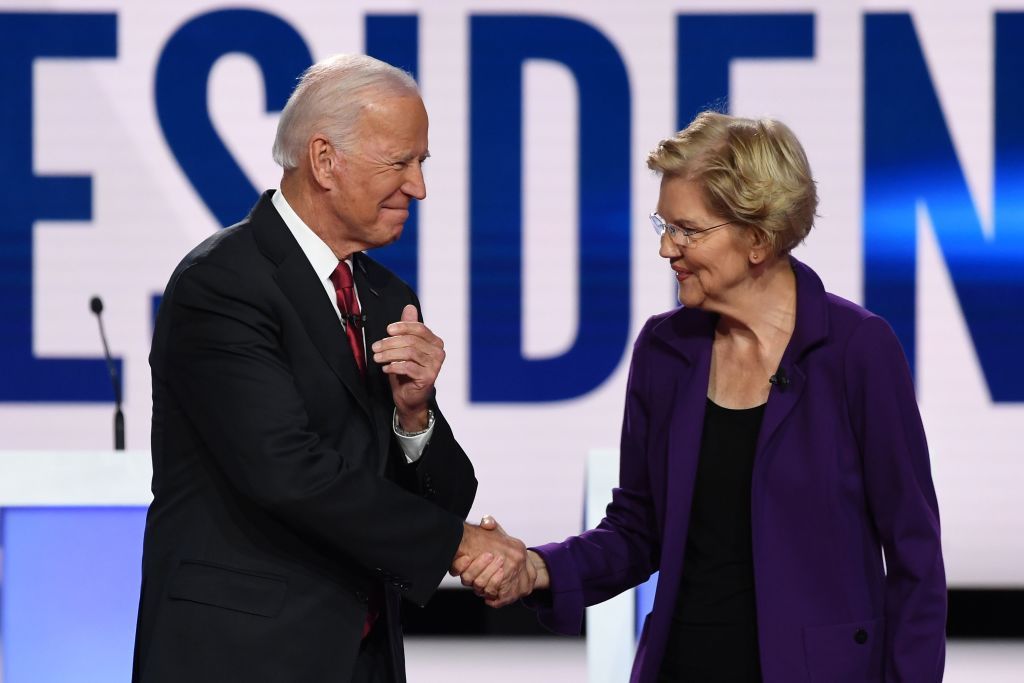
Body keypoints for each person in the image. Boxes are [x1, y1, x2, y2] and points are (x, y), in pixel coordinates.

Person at [458, 112, 946, 682]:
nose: (668, 248)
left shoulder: (856, 350)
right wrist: (536, 568)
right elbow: (637, 531)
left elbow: (915, 556)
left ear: (758, 238)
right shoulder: (665, 352)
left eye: (688, 230)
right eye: (664, 225)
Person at [132, 54, 530, 683]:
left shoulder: (383, 293)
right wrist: (457, 543)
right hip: (239, 655)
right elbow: (285, 470)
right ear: (324, 159)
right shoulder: (223, 283)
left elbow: (445, 493)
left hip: (361, 658)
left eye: (421, 163)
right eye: (399, 163)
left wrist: (415, 414)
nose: (419, 187)